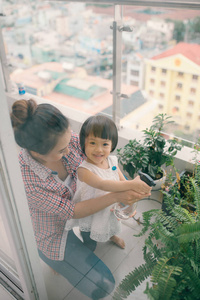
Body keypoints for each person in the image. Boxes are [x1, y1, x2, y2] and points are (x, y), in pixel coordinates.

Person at [10, 99, 151, 299]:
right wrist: (118, 194)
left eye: (69, 142)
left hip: (84, 209)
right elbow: (72, 211)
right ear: (35, 152)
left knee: (93, 238)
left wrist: (124, 185)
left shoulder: (65, 140)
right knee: (103, 286)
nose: (71, 150)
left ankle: (89, 243)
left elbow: (106, 161)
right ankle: (53, 259)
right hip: (53, 232)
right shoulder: (26, 180)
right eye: (61, 150)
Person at [65, 115, 151, 249]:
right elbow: (102, 184)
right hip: (91, 209)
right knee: (89, 233)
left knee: (108, 223)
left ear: (112, 145)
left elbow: (122, 181)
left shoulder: (112, 162)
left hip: (109, 205)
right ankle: (89, 247)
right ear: (83, 143)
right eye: (92, 143)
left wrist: (131, 199)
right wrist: (133, 184)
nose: (99, 149)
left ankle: (111, 235)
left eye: (105, 144)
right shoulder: (84, 170)